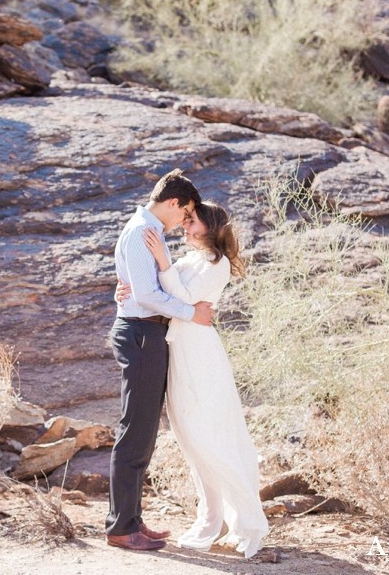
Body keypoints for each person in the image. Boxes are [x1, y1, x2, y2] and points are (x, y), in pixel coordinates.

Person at [117, 202, 269, 558]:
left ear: (210, 226)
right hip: (177, 349)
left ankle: (245, 517)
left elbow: (182, 298)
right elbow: (156, 290)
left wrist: (163, 263)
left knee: (206, 434)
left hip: (199, 352)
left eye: (191, 220)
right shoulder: (189, 259)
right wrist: (123, 291)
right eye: (185, 219)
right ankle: (210, 517)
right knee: (188, 438)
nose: (185, 225)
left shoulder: (218, 264)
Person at [105, 169, 217, 552]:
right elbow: (148, 296)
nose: (185, 221)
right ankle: (121, 527)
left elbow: (138, 288)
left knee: (144, 430)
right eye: (185, 213)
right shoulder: (141, 232)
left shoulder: (145, 231)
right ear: (174, 203)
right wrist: (191, 313)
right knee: (135, 430)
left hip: (145, 331)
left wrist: (132, 294)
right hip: (140, 332)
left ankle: (131, 520)